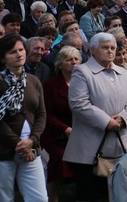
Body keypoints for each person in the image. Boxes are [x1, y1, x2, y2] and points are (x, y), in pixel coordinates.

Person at [64, 32, 127, 201]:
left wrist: (123, 118)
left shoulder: (123, 72)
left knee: (117, 193)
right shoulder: (82, 72)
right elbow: (78, 103)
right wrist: (106, 121)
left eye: (113, 48)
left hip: (118, 143)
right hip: (91, 147)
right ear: (93, 50)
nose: (110, 51)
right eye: (105, 47)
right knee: (93, 194)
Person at [0, 34, 47, 202]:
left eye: (20, 50)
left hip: (32, 149)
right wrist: (19, 144)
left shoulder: (33, 81)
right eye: (12, 52)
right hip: (4, 151)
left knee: (39, 198)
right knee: (4, 198)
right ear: (3, 58)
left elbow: (41, 114)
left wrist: (32, 140)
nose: (19, 54)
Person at [41, 46, 81, 202]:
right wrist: (65, 129)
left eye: (76, 59)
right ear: (59, 64)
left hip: (81, 130)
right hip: (56, 133)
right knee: (60, 158)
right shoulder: (51, 85)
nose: (73, 62)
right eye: (69, 59)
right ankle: (54, 196)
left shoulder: (84, 82)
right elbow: (48, 115)